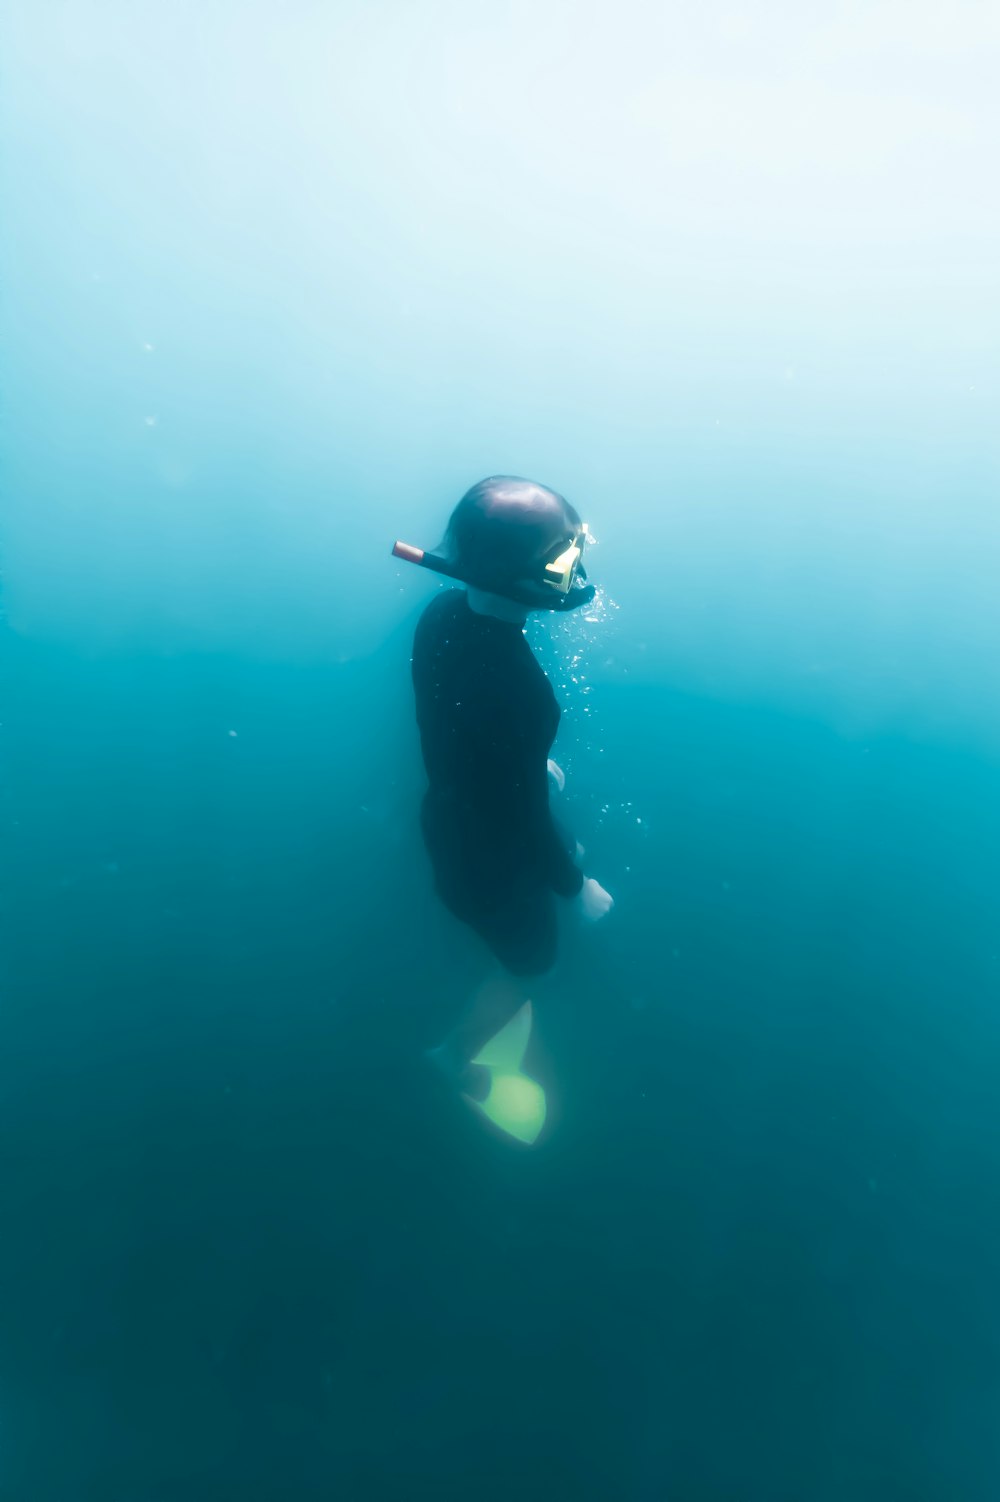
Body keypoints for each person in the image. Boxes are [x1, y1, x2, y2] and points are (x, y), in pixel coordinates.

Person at [392, 476, 614, 1142]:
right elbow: (523, 817)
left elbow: (455, 716)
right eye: (562, 560)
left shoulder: (439, 617)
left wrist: (520, 759)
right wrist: (577, 890)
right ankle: (453, 1056)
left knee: (523, 877)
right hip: (494, 861)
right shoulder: (524, 693)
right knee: (533, 964)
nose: (573, 571)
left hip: (447, 824)